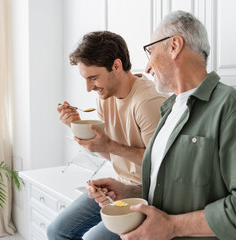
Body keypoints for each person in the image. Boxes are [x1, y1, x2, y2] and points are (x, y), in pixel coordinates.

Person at [88, 10, 236, 240]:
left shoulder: (234, 110)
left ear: (174, 46)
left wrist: (172, 226)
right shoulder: (169, 110)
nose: (147, 67)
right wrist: (129, 191)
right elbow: (177, 190)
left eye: (150, 52)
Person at [47, 31, 167, 240]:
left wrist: (110, 146)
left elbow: (160, 165)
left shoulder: (147, 101)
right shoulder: (105, 98)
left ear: (117, 66)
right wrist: (78, 127)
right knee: (56, 230)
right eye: (85, 79)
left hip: (148, 193)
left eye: (93, 78)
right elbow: (112, 154)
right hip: (119, 182)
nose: (88, 88)